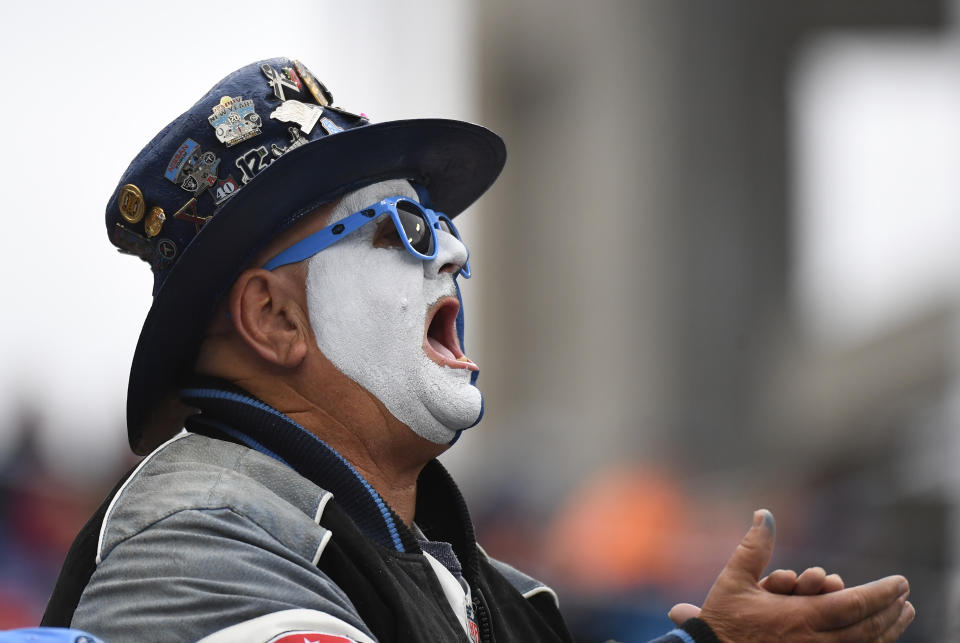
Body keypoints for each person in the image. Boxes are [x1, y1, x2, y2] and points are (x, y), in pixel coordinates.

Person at [41, 58, 914, 642]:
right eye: (404, 227)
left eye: (447, 224)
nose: (455, 253)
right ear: (273, 318)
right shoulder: (195, 547)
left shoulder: (444, 564)